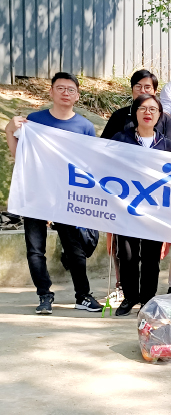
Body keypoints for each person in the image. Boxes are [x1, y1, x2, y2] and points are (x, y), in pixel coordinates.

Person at [4, 72, 102, 314]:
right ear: (51, 92)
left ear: (77, 96)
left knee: (74, 248)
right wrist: (8, 131)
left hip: (68, 196)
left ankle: (83, 296)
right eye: (60, 88)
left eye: (70, 89)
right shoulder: (34, 121)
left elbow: (90, 165)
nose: (65, 93)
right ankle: (44, 295)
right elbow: (20, 156)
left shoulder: (85, 127)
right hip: (36, 193)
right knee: (35, 248)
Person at [110, 95, 171, 316]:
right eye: (143, 108)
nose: (148, 113)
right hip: (126, 208)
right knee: (127, 255)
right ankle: (130, 297)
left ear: (159, 115)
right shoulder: (121, 139)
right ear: (135, 112)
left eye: (153, 109)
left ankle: (148, 300)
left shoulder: (166, 144)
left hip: (154, 210)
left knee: (150, 257)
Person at [101, 69, 171, 146]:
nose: (142, 91)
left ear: (155, 91)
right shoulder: (119, 116)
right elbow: (105, 145)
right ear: (132, 89)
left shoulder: (164, 119)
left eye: (147, 87)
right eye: (138, 86)